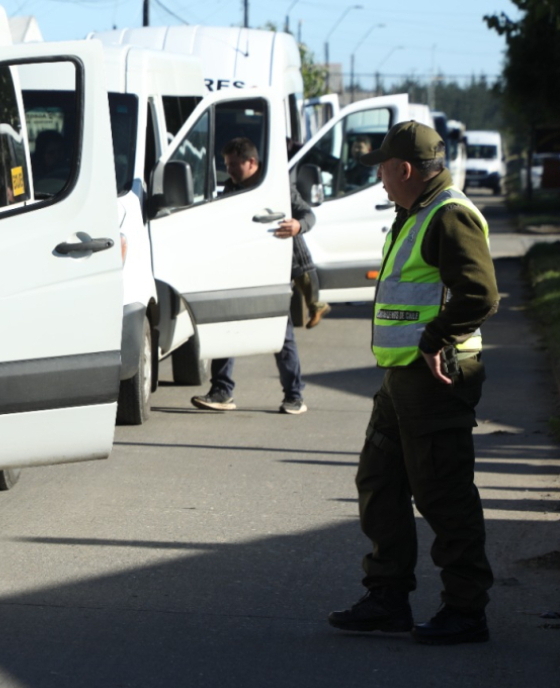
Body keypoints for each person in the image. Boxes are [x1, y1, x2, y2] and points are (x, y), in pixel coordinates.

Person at [327, 121, 498, 645]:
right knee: (379, 481)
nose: (378, 179)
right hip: (401, 379)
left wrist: (434, 338)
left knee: (443, 495)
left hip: (435, 379)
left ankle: (466, 611)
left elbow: (481, 295)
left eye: (382, 168)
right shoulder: (417, 211)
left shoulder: (449, 215)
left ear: (404, 169)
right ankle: (387, 598)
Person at [191, 137, 314, 415]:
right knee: (226, 328)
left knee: (281, 334)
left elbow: (308, 214)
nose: (229, 170)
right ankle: (222, 392)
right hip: (238, 269)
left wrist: (298, 225)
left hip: (270, 269)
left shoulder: (276, 188)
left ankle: (294, 396)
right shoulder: (231, 187)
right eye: (227, 165)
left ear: (252, 163)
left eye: (234, 164)